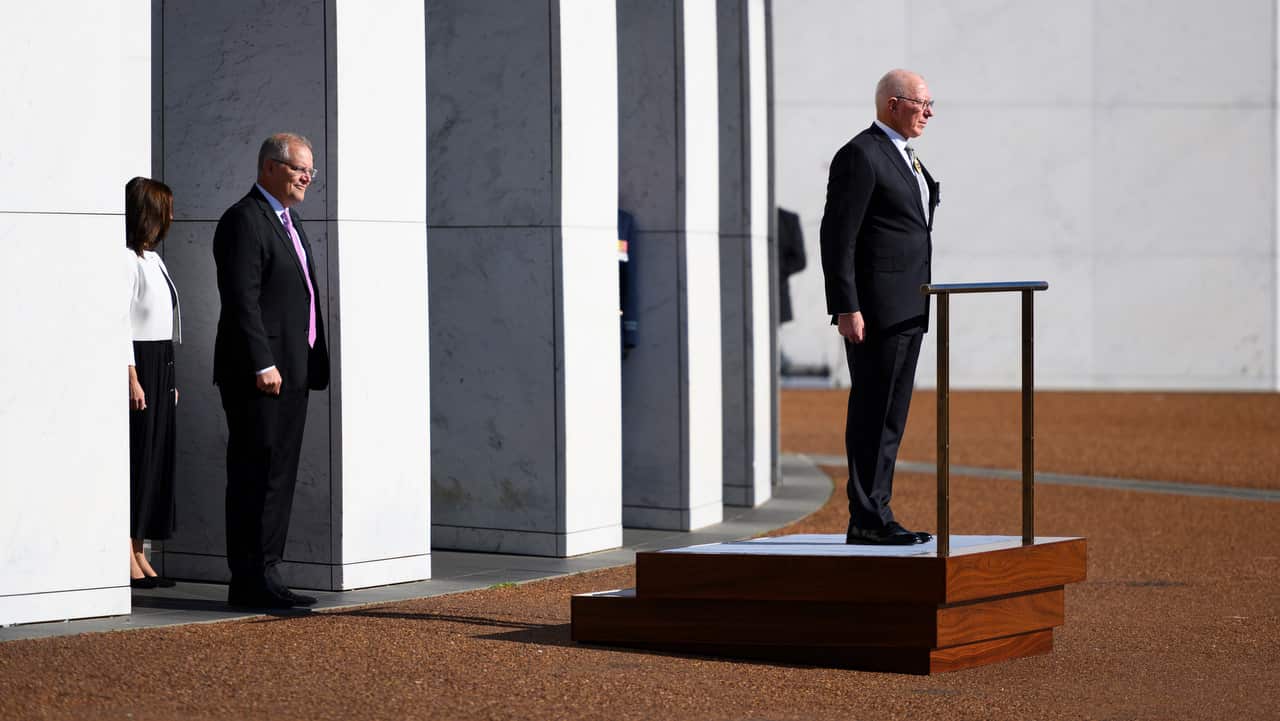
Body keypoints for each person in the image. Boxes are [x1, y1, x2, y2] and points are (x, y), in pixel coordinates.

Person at [818, 69, 940, 545]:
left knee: (891, 417)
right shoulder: (861, 154)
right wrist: (846, 306)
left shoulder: (906, 157)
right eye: (921, 104)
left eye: (930, 105)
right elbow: (838, 236)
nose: (928, 113)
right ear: (893, 104)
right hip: (876, 313)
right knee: (874, 413)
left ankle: (877, 511)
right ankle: (868, 518)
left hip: (909, 308)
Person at [213, 132, 329, 608]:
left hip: (294, 371)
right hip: (260, 375)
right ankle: (248, 579)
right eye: (300, 169)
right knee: (254, 474)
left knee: (278, 475)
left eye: (310, 171)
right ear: (270, 168)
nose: (307, 178)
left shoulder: (289, 220)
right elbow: (241, 299)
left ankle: (268, 572)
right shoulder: (244, 219)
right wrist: (263, 362)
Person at [125, 176, 181, 587]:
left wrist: (169, 377)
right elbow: (120, 323)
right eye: (166, 210)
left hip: (161, 361)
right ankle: (125, 552)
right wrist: (132, 376)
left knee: (156, 459)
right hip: (140, 362)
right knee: (139, 458)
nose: (171, 218)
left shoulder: (154, 259)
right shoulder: (126, 260)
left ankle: (140, 549)